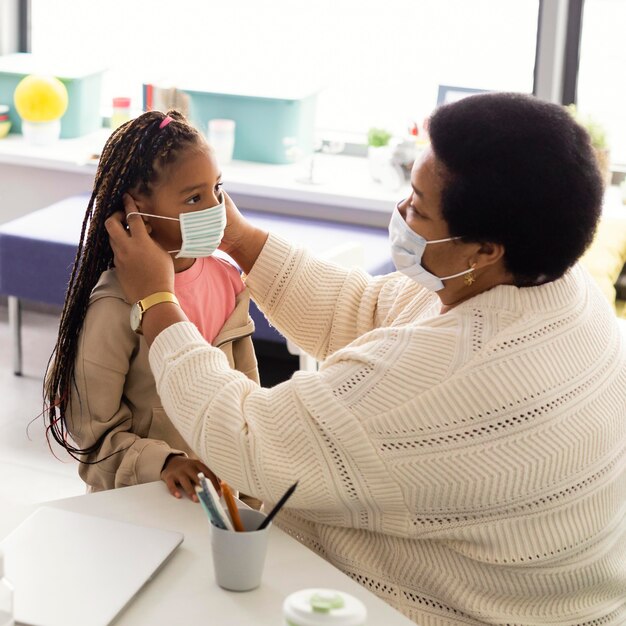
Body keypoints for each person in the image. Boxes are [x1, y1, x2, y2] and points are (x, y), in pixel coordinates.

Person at [106, 93, 626, 625]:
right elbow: (362, 310)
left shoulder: (452, 377)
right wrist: (238, 238)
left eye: (418, 208)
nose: (401, 212)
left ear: (483, 249)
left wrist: (155, 302)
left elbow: (243, 438)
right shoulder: (556, 285)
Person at [44, 109, 258, 501]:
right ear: (137, 210)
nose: (215, 209)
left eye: (218, 189)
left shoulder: (229, 282)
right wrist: (164, 464)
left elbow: (248, 399)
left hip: (222, 501)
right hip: (139, 507)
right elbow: (93, 435)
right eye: (194, 197)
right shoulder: (114, 305)